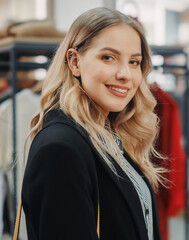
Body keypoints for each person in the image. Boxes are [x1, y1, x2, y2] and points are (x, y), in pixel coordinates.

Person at [21, 7, 165, 240]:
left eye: (134, 62)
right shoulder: (61, 149)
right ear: (75, 61)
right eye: (108, 57)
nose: (125, 74)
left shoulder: (106, 133)